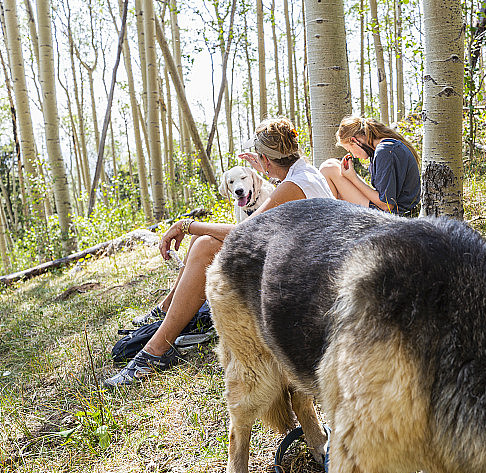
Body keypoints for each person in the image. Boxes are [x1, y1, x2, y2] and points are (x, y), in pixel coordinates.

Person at [105, 117, 334, 388]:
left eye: (259, 161)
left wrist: (186, 224)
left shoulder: (291, 187)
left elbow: (244, 232)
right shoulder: (304, 174)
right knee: (205, 242)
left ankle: (155, 351)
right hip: (309, 268)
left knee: (205, 244)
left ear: (266, 161)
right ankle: (166, 314)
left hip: (314, 288)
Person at [320, 116, 421, 215]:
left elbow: (386, 205)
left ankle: (331, 220)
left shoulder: (384, 151)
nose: (354, 155)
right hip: (390, 210)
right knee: (334, 164)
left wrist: (353, 178)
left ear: (355, 141)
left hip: (393, 216)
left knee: (328, 169)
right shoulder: (383, 147)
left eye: (350, 150)